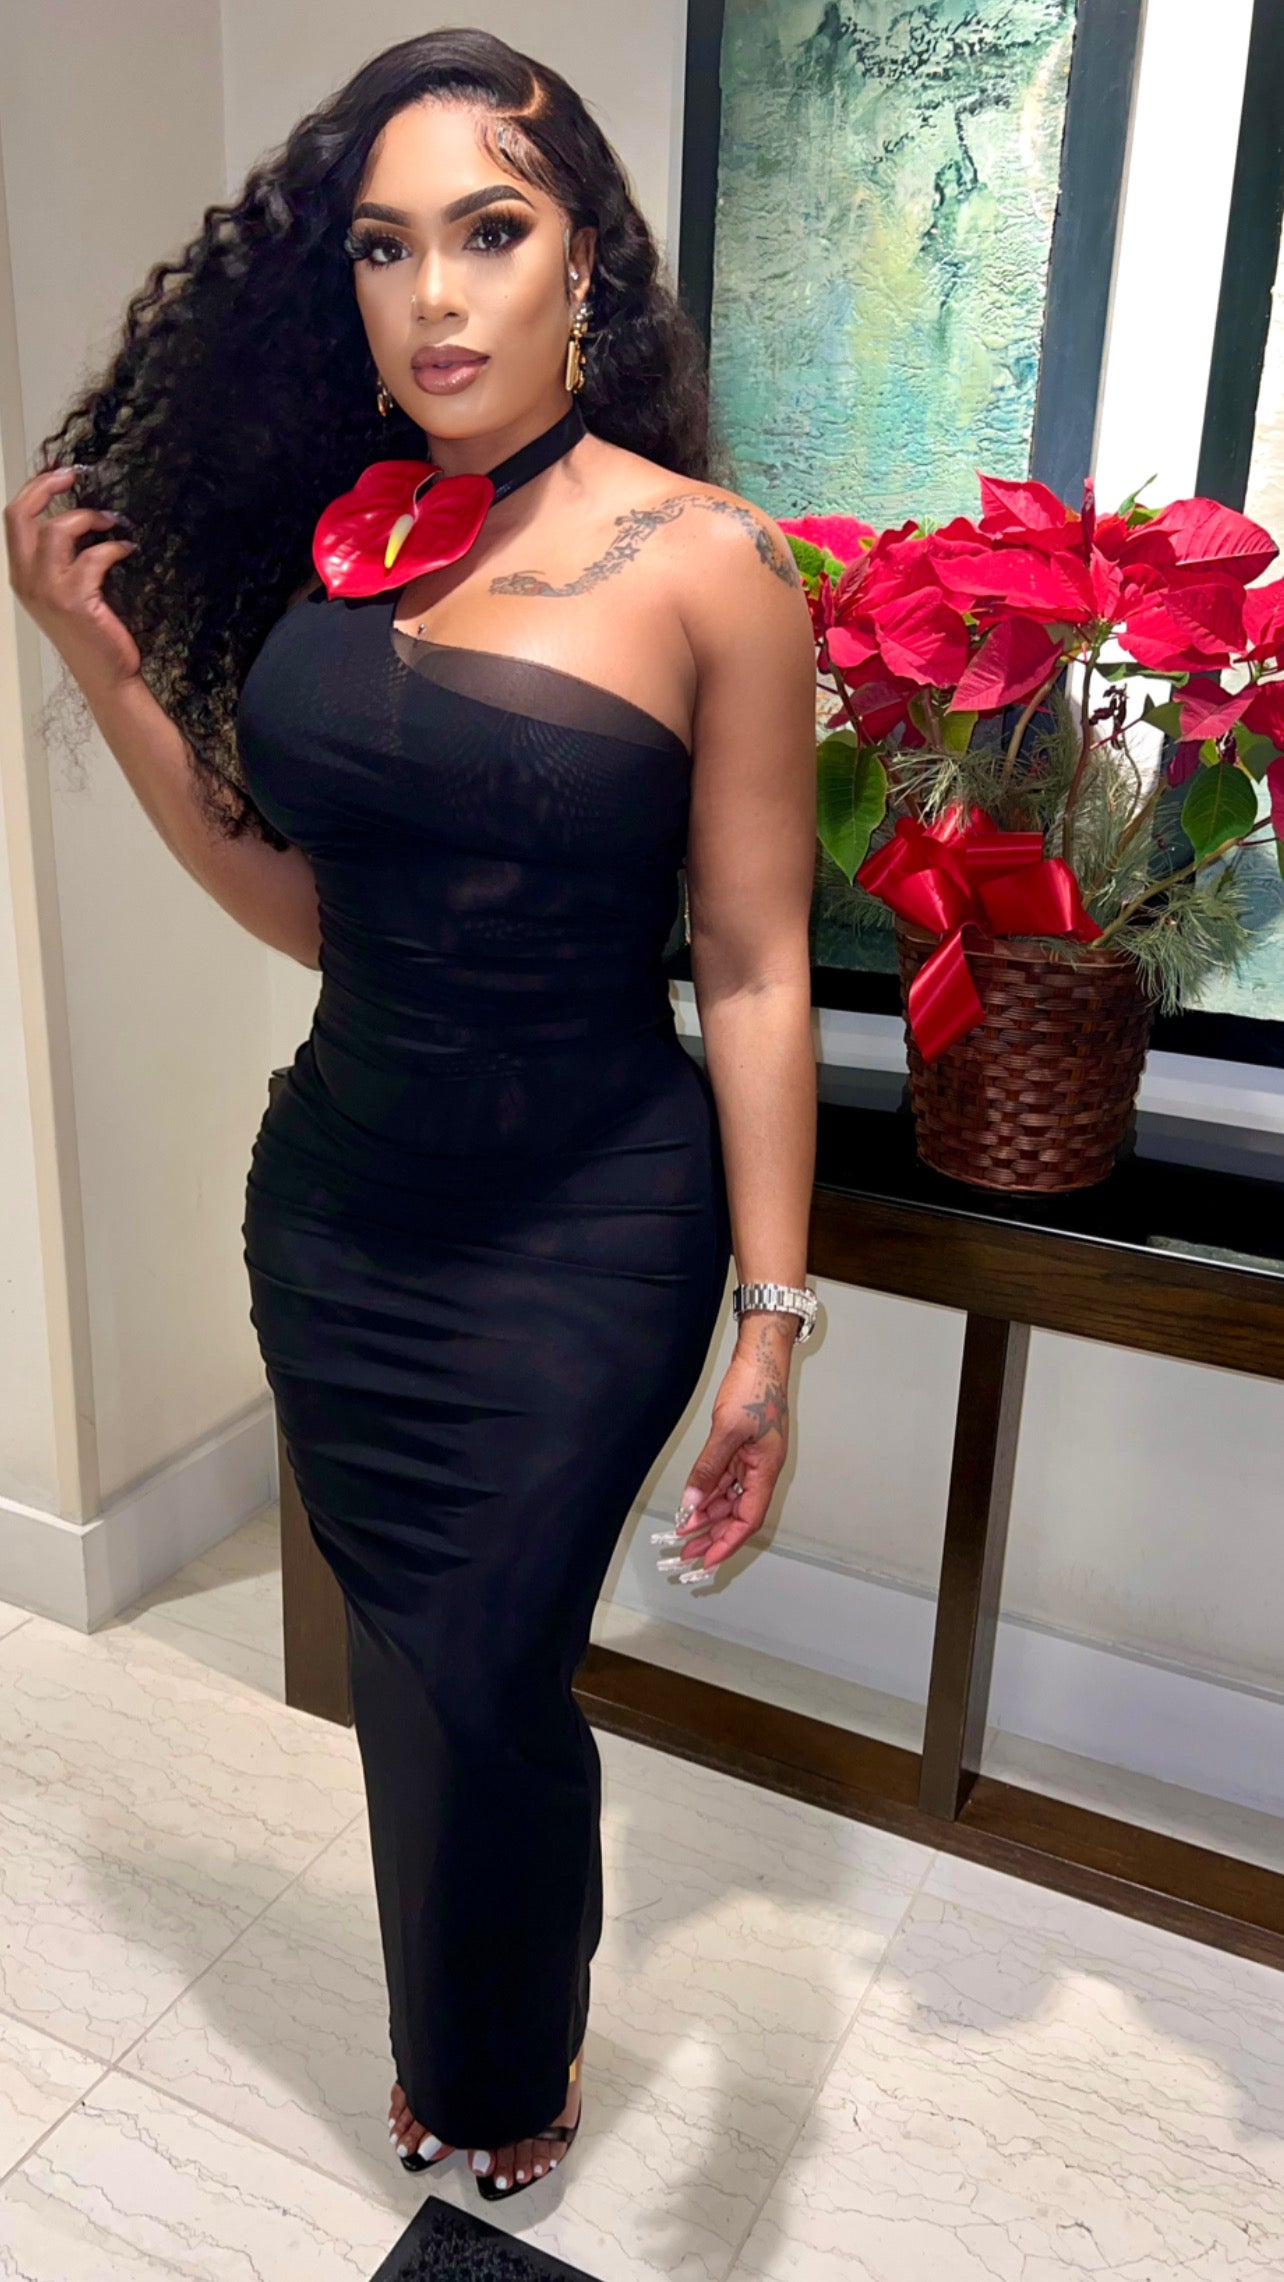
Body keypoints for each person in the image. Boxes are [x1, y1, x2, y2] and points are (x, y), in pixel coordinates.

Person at [3, 27, 819, 2203]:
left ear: (585, 265)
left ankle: (502, 2045)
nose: (436, 295)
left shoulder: (714, 564)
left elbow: (753, 965)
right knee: (427, 1673)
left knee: (482, 1663)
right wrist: (97, 663)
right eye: (384, 247)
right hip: (341, 1215)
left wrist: (772, 1321)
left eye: (491, 231)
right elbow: (311, 905)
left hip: (588, 1232)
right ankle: (474, 2032)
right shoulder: (343, 547)